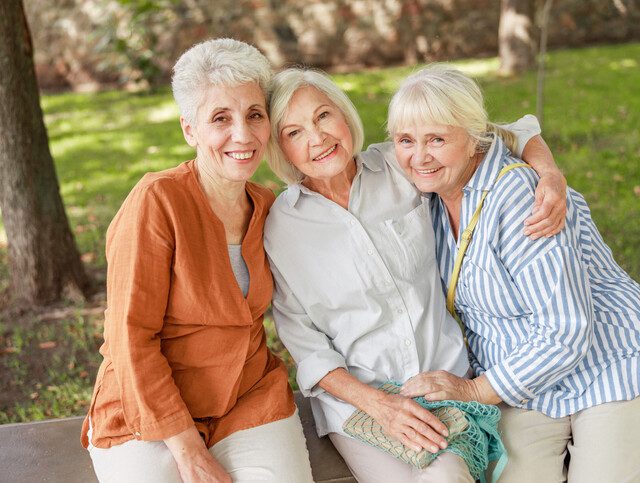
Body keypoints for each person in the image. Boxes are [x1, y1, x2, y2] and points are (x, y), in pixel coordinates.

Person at [263, 67, 567, 483]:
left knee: (446, 478)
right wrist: (379, 405)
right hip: (361, 405)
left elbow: (510, 131)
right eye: (293, 132)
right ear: (280, 148)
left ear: (344, 114)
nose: (317, 138)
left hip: (445, 384)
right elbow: (306, 344)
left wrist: (549, 174)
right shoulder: (282, 227)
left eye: (323, 116)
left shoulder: (403, 163)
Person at [391, 65, 640, 483]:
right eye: (406, 141)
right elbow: (518, 127)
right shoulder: (432, 193)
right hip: (525, 383)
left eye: (437, 139)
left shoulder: (519, 194)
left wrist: (473, 391)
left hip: (606, 362)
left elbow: (566, 328)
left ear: (474, 139)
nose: (419, 156)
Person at [80, 39, 314, 483]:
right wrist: (187, 448)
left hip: (245, 397)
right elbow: (131, 338)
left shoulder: (268, 207)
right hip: (147, 408)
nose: (242, 135)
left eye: (254, 115)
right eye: (220, 119)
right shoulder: (157, 201)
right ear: (190, 129)